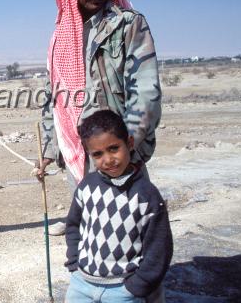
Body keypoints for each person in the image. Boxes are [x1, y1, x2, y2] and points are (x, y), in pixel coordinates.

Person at [36, 0, 161, 235]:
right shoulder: (60, 37)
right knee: (92, 230)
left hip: (116, 146)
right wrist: (47, 149)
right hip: (78, 149)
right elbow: (53, 98)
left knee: (131, 228)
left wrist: (128, 143)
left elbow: (145, 89)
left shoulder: (128, 25)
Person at [64, 110, 172, 302]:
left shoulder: (146, 195)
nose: (108, 159)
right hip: (82, 283)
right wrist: (74, 263)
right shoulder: (86, 187)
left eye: (114, 148)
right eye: (97, 154)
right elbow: (73, 226)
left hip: (123, 289)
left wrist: (138, 285)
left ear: (129, 143)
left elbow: (159, 247)